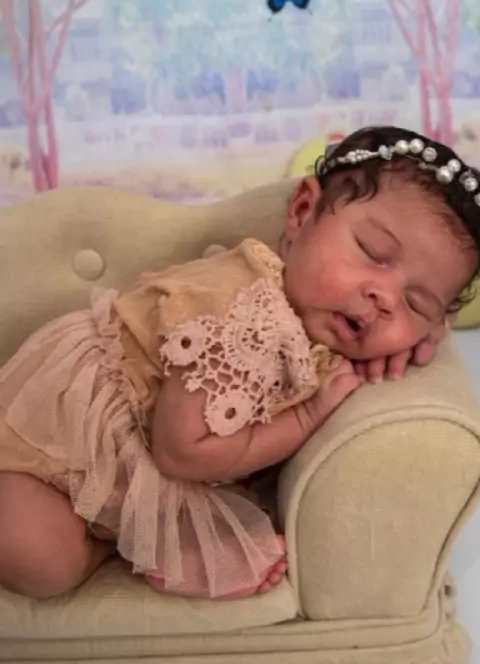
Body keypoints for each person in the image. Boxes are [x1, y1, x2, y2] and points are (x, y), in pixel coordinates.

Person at [0, 125, 477, 601]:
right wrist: (307, 416)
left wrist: (421, 331)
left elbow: (427, 316)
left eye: (416, 301)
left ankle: (120, 533)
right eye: (373, 253)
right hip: (53, 441)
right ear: (302, 212)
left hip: (129, 462)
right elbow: (180, 452)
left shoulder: (324, 320)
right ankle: (124, 547)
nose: (385, 297)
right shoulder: (242, 314)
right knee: (36, 556)